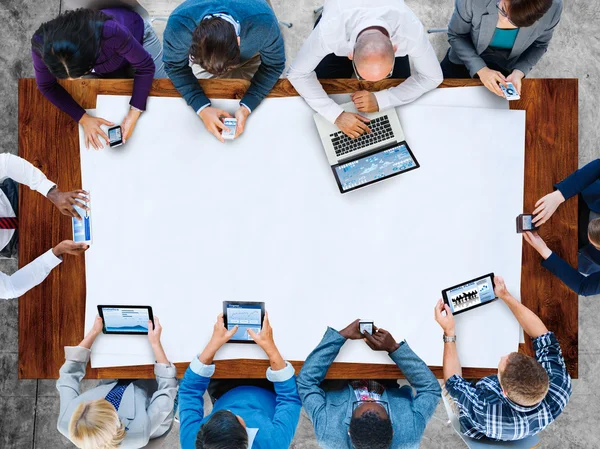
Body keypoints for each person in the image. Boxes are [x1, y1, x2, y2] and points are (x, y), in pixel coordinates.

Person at [434, 276, 572, 441]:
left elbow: (453, 382)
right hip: (518, 426)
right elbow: (543, 336)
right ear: (540, 368)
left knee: (438, 374)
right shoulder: (560, 384)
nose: (502, 356)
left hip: (478, 420)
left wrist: (449, 332)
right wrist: (505, 295)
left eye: (500, 367)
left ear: (503, 391)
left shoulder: (485, 410)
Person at [287, 0, 443, 139]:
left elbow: (433, 77)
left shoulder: (410, 31)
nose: (368, 84)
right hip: (340, 23)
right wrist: (336, 115)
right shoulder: (329, 31)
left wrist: (383, 99)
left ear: (395, 48)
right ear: (350, 55)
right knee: (325, 85)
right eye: (361, 76)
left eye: (386, 73)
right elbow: (298, 73)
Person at [32, 6, 166, 150]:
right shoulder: (41, 44)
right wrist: (83, 118)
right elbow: (46, 86)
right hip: (108, 64)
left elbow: (145, 66)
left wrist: (133, 112)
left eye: (82, 74)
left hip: (138, 40)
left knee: (165, 92)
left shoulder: (110, 32)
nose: (79, 79)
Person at [297, 319, 441, 449]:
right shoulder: (409, 435)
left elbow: (306, 383)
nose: (369, 397)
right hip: (384, 376)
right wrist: (394, 348)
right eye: (379, 404)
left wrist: (341, 336)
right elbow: (431, 390)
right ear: (393, 428)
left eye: (360, 404)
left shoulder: (329, 434)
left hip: (339, 376)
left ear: (348, 430)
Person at [163, 0, 286, 143]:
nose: (221, 74)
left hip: (252, 53)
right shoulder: (178, 26)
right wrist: (201, 108)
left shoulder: (264, 23)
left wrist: (247, 106)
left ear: (239, 42)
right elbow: (174, 66)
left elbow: (274, 65)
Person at [179, 313, 301, 449]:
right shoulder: (273, 443)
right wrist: (271, 349)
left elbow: (188, 392)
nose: (231, 409)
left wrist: (212, 345)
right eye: (234, 416)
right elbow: (290, 399)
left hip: (223, 391)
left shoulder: (193, 442)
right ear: (246, 437)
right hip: (271, 388)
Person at [57, 316, 178, 448]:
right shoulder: (139, 431)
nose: (90, 399)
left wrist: (93, 332)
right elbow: (167, 391)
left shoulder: (67, 421)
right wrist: (155, 344)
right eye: (101, 403)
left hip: (114, 383)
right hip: (151, 398)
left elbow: (68, 375)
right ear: (115, 417)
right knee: (180, 379)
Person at [0, 153, 89, 299]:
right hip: (19, 242)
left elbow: (4, 162)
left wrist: (52, 192)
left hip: (18, 196)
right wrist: (56, 252)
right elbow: (10, 288)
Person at [442, 0, 563, 97]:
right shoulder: (471, 2)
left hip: (507, 64)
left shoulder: (553, 8)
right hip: (463, 58)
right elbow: (456, 35)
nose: (504, 20)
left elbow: (540, 44)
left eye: (514, 20)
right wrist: (481, 69)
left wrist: (519, 71)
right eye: (504, 9)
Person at [523, 159, 600, 295]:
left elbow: (583, 287)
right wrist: (561, 194)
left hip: (577, 247)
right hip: (583, 197)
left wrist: (544, 251)